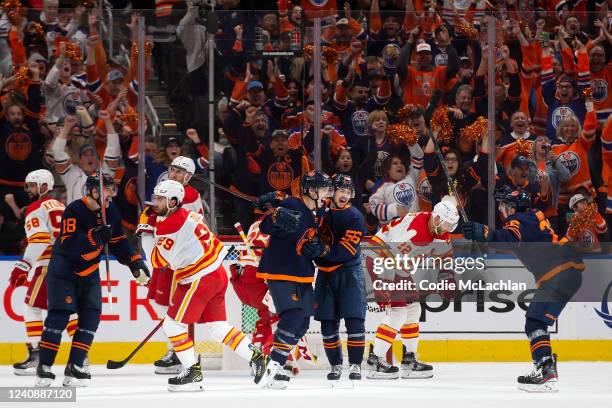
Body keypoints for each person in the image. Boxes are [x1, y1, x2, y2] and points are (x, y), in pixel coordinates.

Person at [462, 190, 585, 392]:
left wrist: (484, 232)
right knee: (537, 322)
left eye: (503, 205)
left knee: (535, 322)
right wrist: (485, 236)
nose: (501, 209)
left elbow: (510, 237)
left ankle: (546, 370)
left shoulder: (518, 220)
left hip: (559, 273)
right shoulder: (531, 218)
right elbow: (511, 242)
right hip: (567, 273)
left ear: (511, 207)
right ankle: (543, 367)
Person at [148, 180, 265, 391]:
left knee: (172, 325)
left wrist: (147, 234)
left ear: (173, 201)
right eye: (155, 197)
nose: (155, 203)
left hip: (198, 278)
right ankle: (256, 356)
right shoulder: (189, 215)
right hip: (215, 273)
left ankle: (192, 372)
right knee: (218, 327)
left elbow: (158, 262)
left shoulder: (168, 225)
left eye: (160, 199)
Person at [36, 173, 150, 387]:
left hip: (89, 272)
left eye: (112, 189)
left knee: (91, 317)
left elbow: (118, 241)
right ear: (93, 191)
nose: (112, 194)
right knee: (59, 318)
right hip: (64, 272)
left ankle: (75, 366)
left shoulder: (111, 211)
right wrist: (93, 237)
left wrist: (134, 262)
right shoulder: (74, 210)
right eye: (108, 189)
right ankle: (44, 368)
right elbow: (69, 245)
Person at [364, 197, 459, 379]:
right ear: (437, 219)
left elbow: (444, 255)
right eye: (448, 224)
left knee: (413, 308)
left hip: (398, 265)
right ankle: (376, 359)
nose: (449, 230)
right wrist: (381, 284)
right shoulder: (415, 232)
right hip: (380, 261)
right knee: (397, 312)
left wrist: (446, 275)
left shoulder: (437, 228)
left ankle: (409, 359)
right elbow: (388, 255)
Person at [255, 171, 332, 389]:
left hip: (303, 272)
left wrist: (321, 248)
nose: (327, 192)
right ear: (310, 189)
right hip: (280, 270)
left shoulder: (319, 211)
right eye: (323, 188)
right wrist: (275, 217)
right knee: (293, 316)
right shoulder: (293, 204)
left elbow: (320, 239)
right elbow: (264, 227)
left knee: (303, 322)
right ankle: (273, 366)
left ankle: (274, 363)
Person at [137, 155, 204, 374]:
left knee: (179, 310)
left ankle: (180, 353)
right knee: (162, 306)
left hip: (182, 262)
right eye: (172, 169)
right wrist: (155, 262)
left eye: (179, 171)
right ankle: (176, 350)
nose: (174, 173)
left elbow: (195, 228)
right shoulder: (162, 190)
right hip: (164, 262)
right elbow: (148, 228)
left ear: (188, 177)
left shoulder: (192, 196)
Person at [9, 170, 77, 375]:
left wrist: (24, 265)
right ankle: (80, 356)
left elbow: (38, 240)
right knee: (68, 310)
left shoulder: (36, 207)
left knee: (31, 307)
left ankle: (37, 353)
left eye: (31, 186)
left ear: (43, 186)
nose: (28, 190)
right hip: (69, 264)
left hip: (48, 265)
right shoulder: (62, 207)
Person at [313, 174, 367, 382]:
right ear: (331, 192)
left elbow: (345, 250)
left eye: (347, 191)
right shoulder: (320, 212)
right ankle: (336, 365)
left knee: (354, 321)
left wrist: (319, 252)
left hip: (348, 274)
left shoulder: (354, 216)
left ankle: (355, 364)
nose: (344, 195)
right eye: (340, 190)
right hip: (325, 276)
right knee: (328, 324)